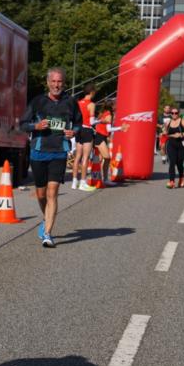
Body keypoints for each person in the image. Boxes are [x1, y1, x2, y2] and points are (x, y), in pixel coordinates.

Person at [19, 68, 81, 247]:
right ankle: (45, 218)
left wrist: (73, 132)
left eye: (60, 81)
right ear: (47, 82)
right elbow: (23, 124)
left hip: (59, 152)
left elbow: (78, 124)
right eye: (53, 81)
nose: (56, 85)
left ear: (64, 83)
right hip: (38, 152)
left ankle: (47, 233)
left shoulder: (70, 102)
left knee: (52, 192)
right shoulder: (38, 101)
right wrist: (36, 126)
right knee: (41, 194)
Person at [72, 84, 97, 191]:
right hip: (87, 130)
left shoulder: (78, 103)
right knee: (85, 157)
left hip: (78, 130)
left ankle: (74, 182)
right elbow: (91, 122)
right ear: (91, 92)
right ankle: (82, 182)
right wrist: (101, 120)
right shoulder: (91, 104)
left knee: (77, 157)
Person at [161, 106, 184, 188]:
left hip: (181, 145)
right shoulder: (168, 122)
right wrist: (164, 133)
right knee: (172, 162)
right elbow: (166, 132)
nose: (174, 114)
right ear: (170, 114)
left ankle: (181, 178)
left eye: (176, 113)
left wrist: (181, 134)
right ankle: (171, 181)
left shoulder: (183, 121)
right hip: (170, 144)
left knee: (179, 163)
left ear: (179, 113)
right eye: (172, 113)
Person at [94, 108, 128, 182]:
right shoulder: (108, 114)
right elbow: (108, 129)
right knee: (107, 158)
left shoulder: (104, 112)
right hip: (100, 137)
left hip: (101, 136)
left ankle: (99, 178)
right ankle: (103, 179)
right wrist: (120, 128)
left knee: (99, 159)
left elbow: (100, 125)